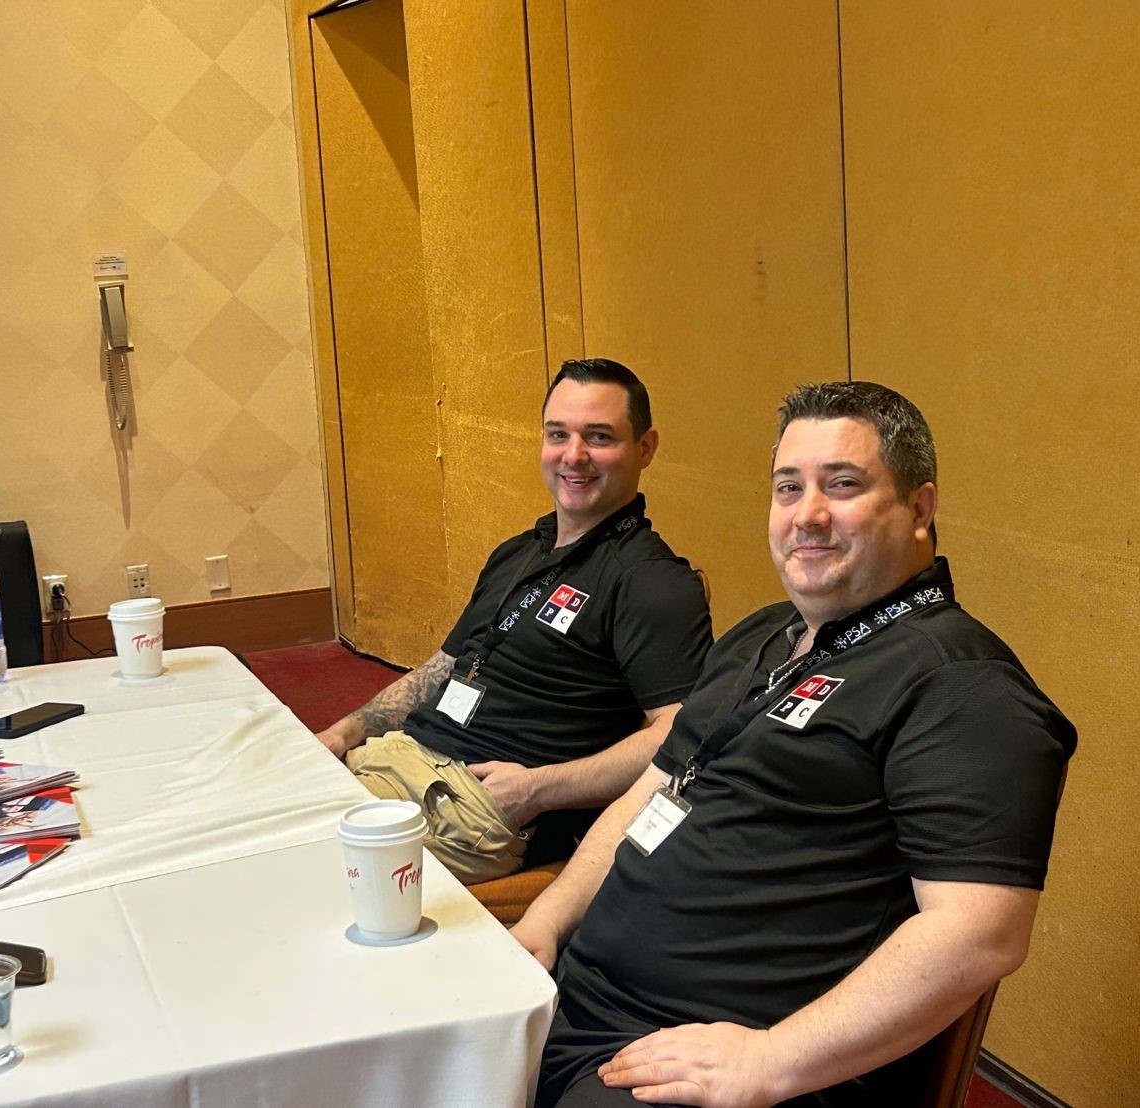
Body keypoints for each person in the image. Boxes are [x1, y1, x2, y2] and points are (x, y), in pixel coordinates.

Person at [512, 380, 1078, 1107]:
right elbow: (652, 790)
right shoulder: (763, 635)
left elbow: (980, 934)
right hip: (572, 997)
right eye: (789, 487)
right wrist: (547, 919)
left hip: (708, 1063)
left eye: (842, 485)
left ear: (919, 508)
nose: (807, 515)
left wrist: (769, 1060)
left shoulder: (962, 686)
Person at [315, 359, 713, 884]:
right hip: (398, 757)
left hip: (475, 805)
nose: (574, 455)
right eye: (558, 434)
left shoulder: (652, 581)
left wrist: (538, 790)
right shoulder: (519, 552)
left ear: (645, 448)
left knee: (292, 866)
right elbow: (443, 667)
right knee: (252, 810)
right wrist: (342, 732)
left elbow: (681, 733)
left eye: (599, 437)